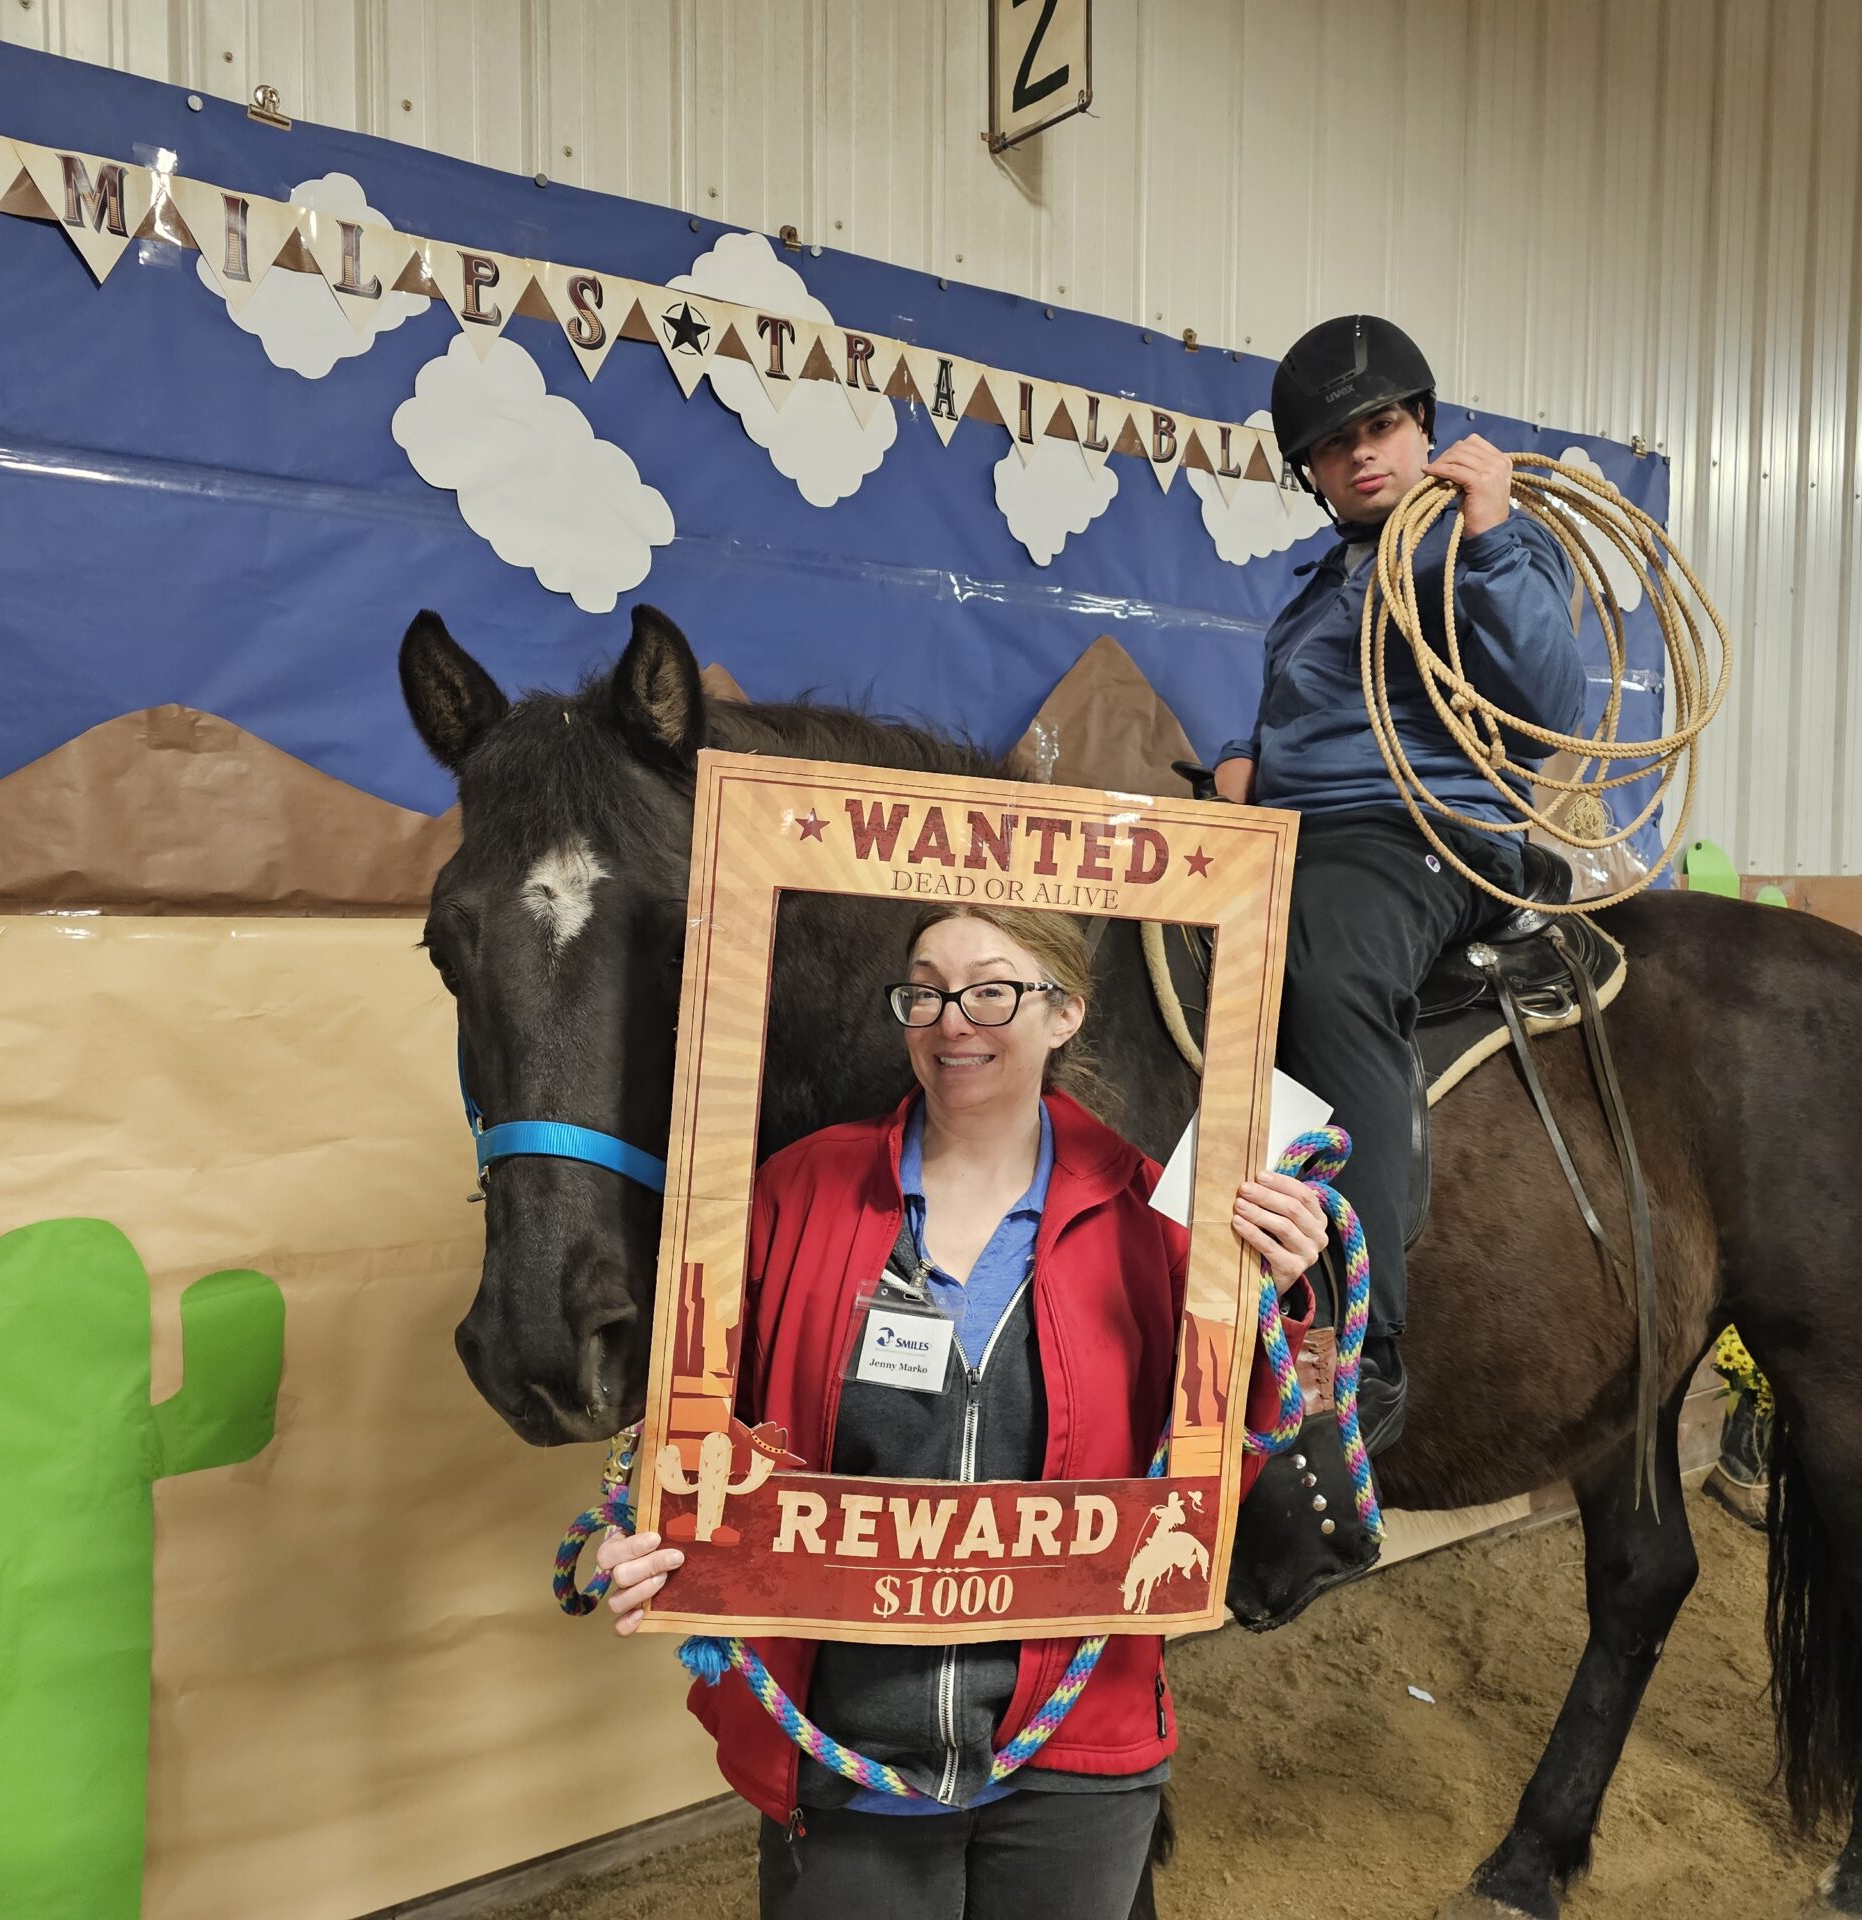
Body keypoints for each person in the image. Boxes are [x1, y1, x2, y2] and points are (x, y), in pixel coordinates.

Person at [594, 904, 1329, 1919]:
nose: (953, 1020)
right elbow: (707, 1429)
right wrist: (655, 1531)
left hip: (1077, 1748)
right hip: (849, 1746)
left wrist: (1268, 1304)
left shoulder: (1155, 1216)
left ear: (1065, 1012)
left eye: (992, 989)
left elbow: (1216, 1473)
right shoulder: (793, 1193)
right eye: (927, 990)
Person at [1212, 315, 1590, 1596]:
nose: (1359, 456)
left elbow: (1554, 702)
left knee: (1324, 968)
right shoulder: (1328, 575)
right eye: (1330, 444)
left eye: (1377, 428)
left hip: (1423, 837)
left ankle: (1362, 1349)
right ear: (1309, 470)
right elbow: (1315, 715)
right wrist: (1245, 764)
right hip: (1307, 828)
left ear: (1422, 427)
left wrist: (1492, 528)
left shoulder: (1473, 543)